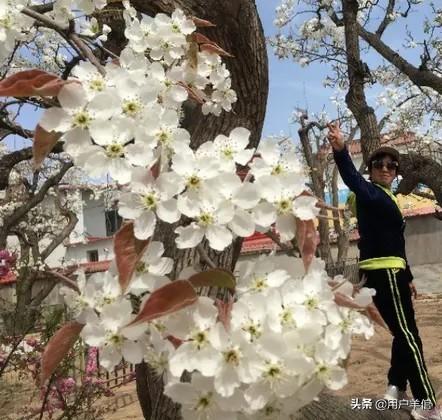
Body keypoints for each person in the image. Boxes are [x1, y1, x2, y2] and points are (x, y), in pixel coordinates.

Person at [327, 122, 441, 420]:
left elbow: (396, 242)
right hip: (383, 272)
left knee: (405, 334)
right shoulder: (369, 193)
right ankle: (426, 403)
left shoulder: (387, 197)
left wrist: (409, 275)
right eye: (380, 164)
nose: (387, 168)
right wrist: (341, 152)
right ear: (371, 168)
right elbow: (352, 180)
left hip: (394, 272)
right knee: (409, 336)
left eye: (392, 165)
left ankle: (395, 388)